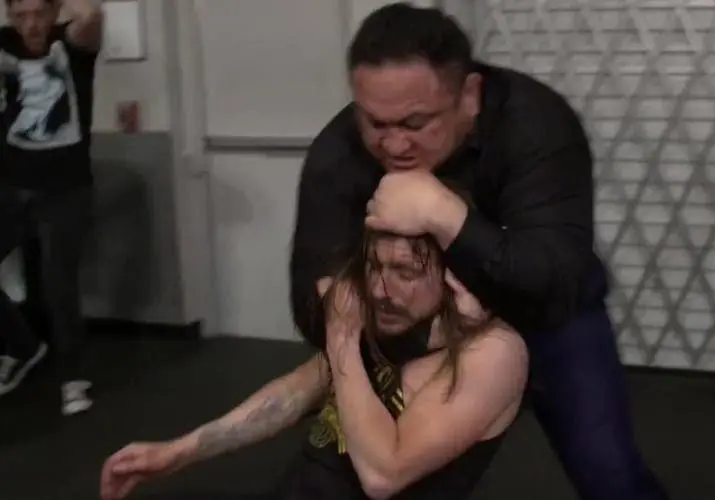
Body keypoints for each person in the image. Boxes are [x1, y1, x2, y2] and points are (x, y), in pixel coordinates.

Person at [289, 4, 668, 499]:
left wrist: (446, 216)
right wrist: (406, 332)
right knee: (361, 471)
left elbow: (556, 273)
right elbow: (312, 299)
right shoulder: (338, 152)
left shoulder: (535, 124)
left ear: (469, 95)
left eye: (416, 122)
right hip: (421, 327)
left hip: (551, 318)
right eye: (376, 122)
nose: (394, 144)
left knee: (609, 473)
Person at [100, 225, 529, 500]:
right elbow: (292, 395)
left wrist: (341, 335)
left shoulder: (493, 353)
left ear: (454, 276)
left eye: (405, 272)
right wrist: (178, 452)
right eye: (374, 267)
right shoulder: (394, 323)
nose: (381, 289)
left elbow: (383, 475)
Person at [0, 0, 103, 415]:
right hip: (12, 184)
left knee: (58, 285)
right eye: (20, 15)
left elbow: (91, 16)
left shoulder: (72, 46)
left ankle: (73, 380)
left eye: (39, 13)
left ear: (55, 10)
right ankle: (24, 347)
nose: (31, 24)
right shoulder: (5, 43)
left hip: (65, 190)